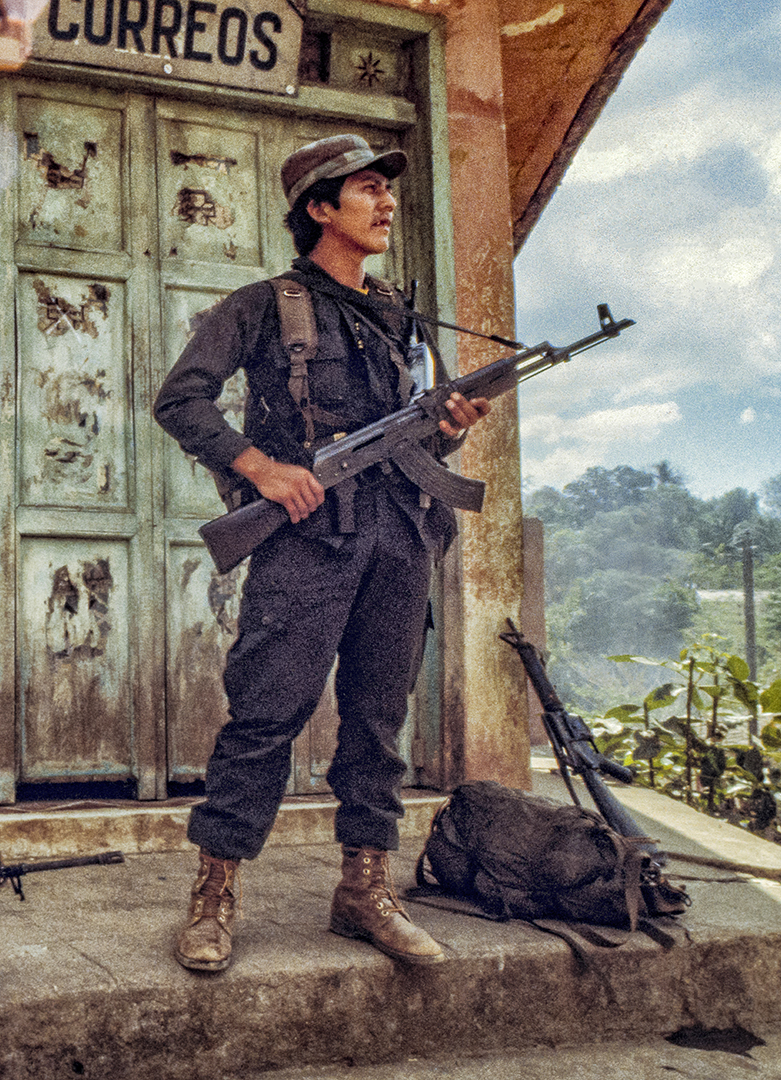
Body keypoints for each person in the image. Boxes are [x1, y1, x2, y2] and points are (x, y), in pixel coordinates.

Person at [152, 134, 491, 972]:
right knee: (266, 715)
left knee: (379, 719)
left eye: (387, 191)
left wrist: (446, 429)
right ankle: (214, 892)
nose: (386, 205)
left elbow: (420, 444)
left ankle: (364, 889)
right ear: (318, 209)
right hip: (307, 541)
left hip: (401, 536)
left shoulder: (406, 318)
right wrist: (260, 467)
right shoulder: (264, 305)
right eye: (367, 191)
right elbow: (180, 399)